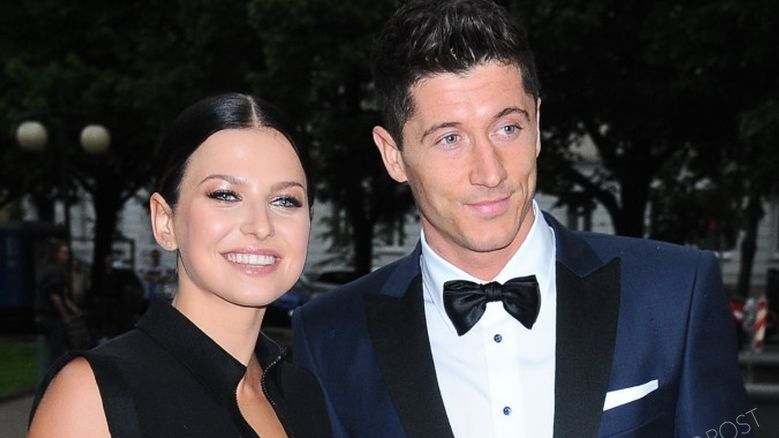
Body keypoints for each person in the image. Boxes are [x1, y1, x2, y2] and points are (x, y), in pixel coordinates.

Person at [291, 1, 753, 437]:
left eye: (507, 128)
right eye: (450, 138)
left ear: (537, 125)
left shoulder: (676, 295)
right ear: (393, 155)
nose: (490, 171)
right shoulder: (330, 338)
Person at [28, 93, 331, 437]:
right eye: (225, 195)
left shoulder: (304, 395)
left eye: (285, 200)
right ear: (164, 221)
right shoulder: (93, 394)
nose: (261, 226)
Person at [34, 239, 84, 380]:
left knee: (58, 349)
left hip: (47, 315)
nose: (66, 256)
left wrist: (73, 309)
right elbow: (56, 296)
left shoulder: (49, 269)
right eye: (64, 253)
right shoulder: (56, 271)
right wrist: (65, 316)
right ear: (56, 254)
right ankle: (54, 380)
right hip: (52, 317)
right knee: (57, 351)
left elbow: (60, 296)